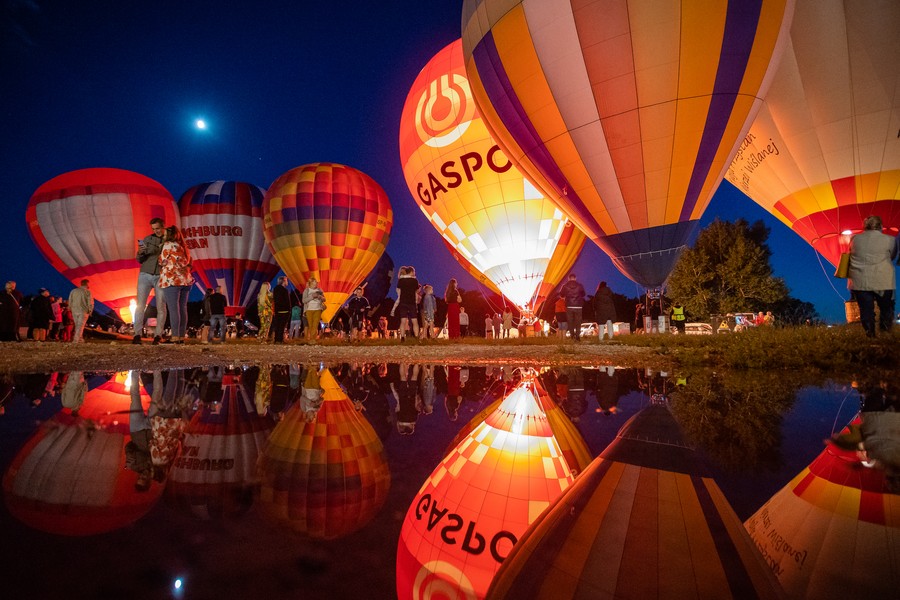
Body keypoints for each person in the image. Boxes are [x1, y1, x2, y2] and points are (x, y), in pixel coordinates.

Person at [848, 216, 898, 337]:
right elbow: (893, 255)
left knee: (866, 309)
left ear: (865, 226)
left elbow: (850, 253)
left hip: (860, 280)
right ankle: (885, 333)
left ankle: (870, 334)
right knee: (886, 307)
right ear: (881, 226)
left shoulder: (854, 239)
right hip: (883, 279)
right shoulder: (890, 239)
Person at [133, 217, 168, 345]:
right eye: (154, 229)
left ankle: (158, 335)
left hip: (161, 275)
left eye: (158, 228)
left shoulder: (170, 240)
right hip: (145, 274)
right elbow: (139, 259)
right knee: (140, 306)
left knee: (161, 306)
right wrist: (141, 252)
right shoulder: (147, 239)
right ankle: (137, 335)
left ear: (163, 226)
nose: (156, 231)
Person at [158, 225, 194, 344]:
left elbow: (162, 261)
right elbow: (187, 262)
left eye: (165, 234)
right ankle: (181, 337)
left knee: (173, 309)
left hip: (172, 279)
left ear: (169, 235)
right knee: (182, 308)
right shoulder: (183, 247)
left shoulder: (168, 244)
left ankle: (174, 337)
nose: (163, 236)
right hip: (185, 280)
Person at [393, 266, 420, 340]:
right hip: (411, 302)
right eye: (414, 272)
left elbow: (398, 289)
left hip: (403, 302)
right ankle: (417, 337)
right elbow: (417, 290)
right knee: (415, 321)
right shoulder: (415, 281)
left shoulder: (401, 280)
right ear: (411, 272)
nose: (414, 273)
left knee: (403, 321)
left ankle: (402, 337)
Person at [559, 273, 586, 341]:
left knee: (570, 322)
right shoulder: (580, 285)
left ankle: (572, 336)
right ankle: (577, 336)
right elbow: (583, 294)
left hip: (569, 306)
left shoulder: (565, 286)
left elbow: (561, 295)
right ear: (575, 278)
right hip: (578, 306)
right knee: (578, 322)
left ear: (569, 278)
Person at [68, 278, 93, 343]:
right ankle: (76, 339)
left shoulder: (73, 291)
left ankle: (80, 338)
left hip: (74, 310)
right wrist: (90, 310)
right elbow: (90, 302)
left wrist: (70, 308)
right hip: (83, 310)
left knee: (77, 325)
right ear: (87, 284)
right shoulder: (87, 292)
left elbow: (70, 300)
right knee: (80, 325)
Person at [302, 277, 326, 342]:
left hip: (318, 309)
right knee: (310, 325)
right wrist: (312, 296)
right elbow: (304, 300)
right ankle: (311, 339)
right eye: (314, 282)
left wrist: (321, 297)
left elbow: (324, 299)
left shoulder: (319, 290)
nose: (316, 283)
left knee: (315, 325)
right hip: (309, 310)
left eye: (316, 282)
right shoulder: (306, 291)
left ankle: (312, 339)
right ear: (311, 283)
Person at [271, 276, 291, 344]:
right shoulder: (285, 290)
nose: (287, 282)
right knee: (282, 326)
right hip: (285, 310)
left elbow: (275, 300)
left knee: (277, 325)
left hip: (277, 310)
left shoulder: (275, 289)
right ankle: (280, 340)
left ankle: (276, 339)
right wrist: (289, 309)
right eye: (286, 280)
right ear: (283, 281)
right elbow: (287, 301)